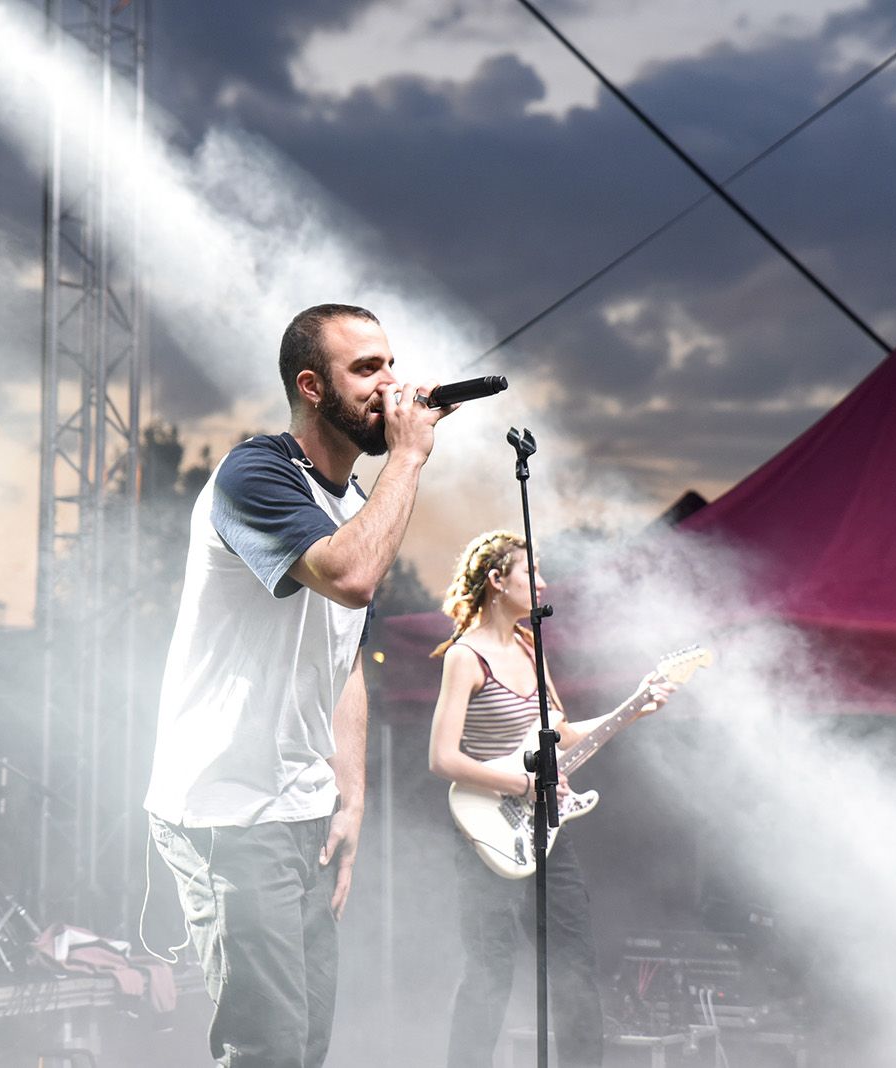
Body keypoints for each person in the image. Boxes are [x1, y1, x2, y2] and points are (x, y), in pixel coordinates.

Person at [145, 303, 451, 1068]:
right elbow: (349, 579)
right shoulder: (254, 475)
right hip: (229, 811)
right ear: (313, 387)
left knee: (306, 1046)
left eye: (390, 362)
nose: (391, 384)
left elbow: (341, 660)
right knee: (267, 1050)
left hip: (298, 810)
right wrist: (408, 459)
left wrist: (348, 800)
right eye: (367, 369)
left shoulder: (351, 505)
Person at [428, 530, 674, 1068]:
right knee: (489, 972)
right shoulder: (465, 657)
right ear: (496, 581)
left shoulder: (529, 646)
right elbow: (442, 759)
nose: (542, 583)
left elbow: (558, 733)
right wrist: (521, 784)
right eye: (529, 573)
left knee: (575, 969)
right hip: (485, 833)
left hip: (544, 831)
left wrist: (635, 705)